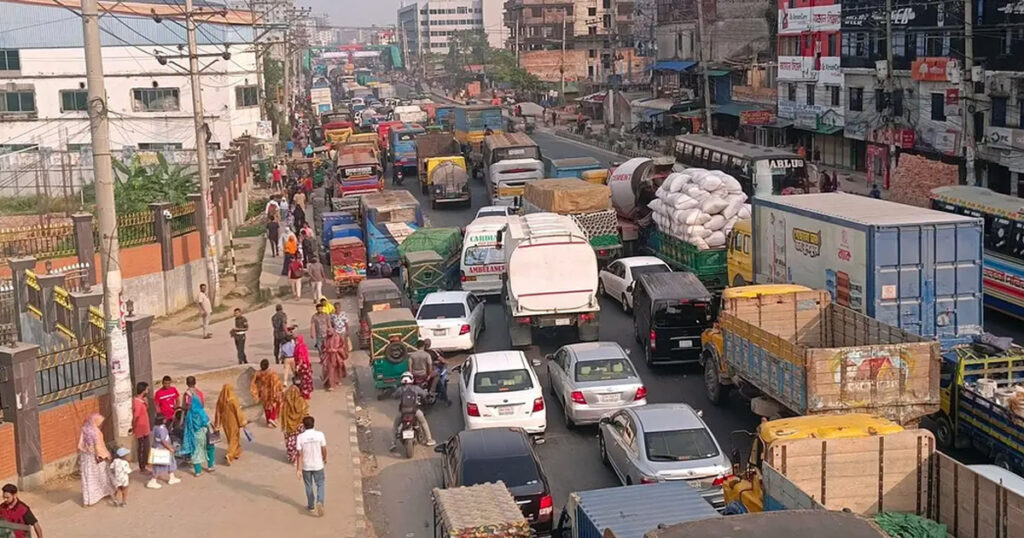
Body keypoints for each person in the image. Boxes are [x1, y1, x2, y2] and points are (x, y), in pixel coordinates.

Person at [389, 373, 436, 451]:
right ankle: (429, 439)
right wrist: (429, 394)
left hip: (403, 412)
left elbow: (394, 396)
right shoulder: (416, 388)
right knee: (423, 422)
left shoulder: (400, 389)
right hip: (414, 411)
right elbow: (425, 395)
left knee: (395, 425)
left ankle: (393, 443)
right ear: (411, 379)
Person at [78, 413, 115, 506]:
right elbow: (99, 447)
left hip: (86, 458)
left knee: (88, 477)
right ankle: (106, 492)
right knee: (102, 474)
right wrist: (106, 455)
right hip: (96, 458)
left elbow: (80, 445)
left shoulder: (84, 430)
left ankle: (89, 500)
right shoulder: (96, 432)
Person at [295, 416, 327, 517]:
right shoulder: (320, 435)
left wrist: (298, 469)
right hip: (318, 465)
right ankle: (320, 501)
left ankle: (311, 506)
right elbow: (324, 449)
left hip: (306, 466)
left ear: (303, 426)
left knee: (308, 486)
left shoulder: (300, 437)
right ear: (314, 423)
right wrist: (324, 458)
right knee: (320, 484)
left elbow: (299, 454)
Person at [179, 397, 215, 477]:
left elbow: (187, 425)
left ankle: (198, 471)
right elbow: (207, 422)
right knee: (210, 448)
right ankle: (210, 466)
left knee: (195, 451)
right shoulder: (201, 411)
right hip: (204, 433)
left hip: (194, 434)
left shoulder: (189, 414)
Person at [214, 384, 248, 466]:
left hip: (225, 422)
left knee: (230, 437)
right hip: (233, 422)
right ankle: (229, 455)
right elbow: (238, 411)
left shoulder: (221, 400)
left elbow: (218, 412)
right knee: (234, 438)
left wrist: (217, 424)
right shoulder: (233, 400)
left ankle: (236, 452)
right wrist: (243, 421)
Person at [147, 415, 181, 489]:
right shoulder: (161, 429)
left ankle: (172, 477)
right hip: (162, 448)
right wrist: (170, 448)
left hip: (159, 447)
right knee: (159, 465)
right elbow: (163, 440)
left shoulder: (155, 427)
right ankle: (153, 480)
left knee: (170, 462)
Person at [280, 385, 310, 464]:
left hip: (289, 427)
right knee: (301, 441)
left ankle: (293, 458)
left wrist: (284, 425)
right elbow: (305, 413)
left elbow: (283, 415)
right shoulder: (301, 401)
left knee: (291, 442)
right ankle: (301, 456)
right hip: (299, 426)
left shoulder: (285, 404)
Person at [251, 359, 284, 427]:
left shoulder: (258, 373)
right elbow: (276, 382)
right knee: (273, 404)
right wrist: (280, 390)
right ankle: (272, 418)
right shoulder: (271, 373)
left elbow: (253, 382)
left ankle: (268, 420)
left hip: (263, 392)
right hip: (271, 391)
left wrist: (256, 392)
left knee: (266, 407)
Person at [131, 382, 151, 474]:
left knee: (146, 447)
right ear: (143, 390)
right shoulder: (137, 402)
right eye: (147, 389)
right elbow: (136, 416)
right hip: (140, 428)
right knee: (142, 447)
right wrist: (134, 426)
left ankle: (145, 464)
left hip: (145, 428)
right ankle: (142, 466)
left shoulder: (142, 401)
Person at [293, 335, 315, 399]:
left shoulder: (300, 347)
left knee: (304, 380)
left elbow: (301, 358)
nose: (295, 342)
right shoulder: (301, 346)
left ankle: (305, 393)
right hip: (305, 366)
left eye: (296, 340)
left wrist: (298, 366)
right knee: (305, 380)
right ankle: (305, 393)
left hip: (303, 366)